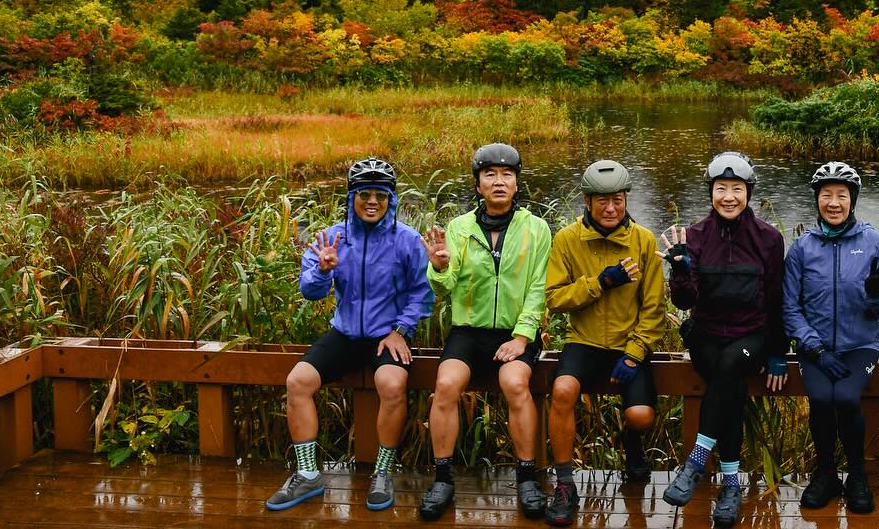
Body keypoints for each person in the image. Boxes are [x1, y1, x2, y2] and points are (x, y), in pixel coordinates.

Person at [265, 157, 433, 513]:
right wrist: (324, 271)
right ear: (351, 198)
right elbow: (310, 291)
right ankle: (308, 474)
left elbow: (422, 293)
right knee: (297, 382)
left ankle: (383, 472)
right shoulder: (331, 238)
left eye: (380, 196)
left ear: (391, 200)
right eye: (364, 194)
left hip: (386, 335)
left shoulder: (407, 241)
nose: (372, 202)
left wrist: (401, 330)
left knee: (391, 385)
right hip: (343, 333)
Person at [418, 143, 553, 521]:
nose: (499, 181)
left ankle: (526, 477)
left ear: (516, 183)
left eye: (507, 175)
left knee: (515, 384)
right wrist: (440, 267)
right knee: (445, 386)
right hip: (468, 330)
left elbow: (538, 288)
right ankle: (442, 478)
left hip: (515, 331)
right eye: (490, 175)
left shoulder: (536, 228)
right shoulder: (459, 228)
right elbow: (444, 289)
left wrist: (522, 337)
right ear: (478, 184)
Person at [658, 151, 788, 528]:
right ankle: (730, 485)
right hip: (707, 334)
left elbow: (777, 296)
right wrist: (681, 269)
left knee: (730, 367)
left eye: (737, 189)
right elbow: (685, 302)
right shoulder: (694, 236)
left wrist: (778, 352)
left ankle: (697, 461)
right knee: (727, 386)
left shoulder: (768, 238)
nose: (728, 197)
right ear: (710, 192)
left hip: (752, 334)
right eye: (721, 189)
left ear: (749, 192)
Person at [542, 159, 665, 528]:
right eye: (602, 202)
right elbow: (555, 298)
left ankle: (630, 441)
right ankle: (565, 485)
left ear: (626, 199)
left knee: (641, 416)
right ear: (587, 202)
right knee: (562, 390)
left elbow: (654, 306)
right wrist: (601, 282)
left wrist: (634, 354)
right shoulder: (567, 239)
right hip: (585, 341)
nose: (610, 209)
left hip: (628, 342)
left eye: (617, 200)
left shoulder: (643, 240)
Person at [783, 161, 879, 514]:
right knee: (820, 399)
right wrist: (814, 347)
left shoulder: (874, 242)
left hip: (859, 345)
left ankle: (858, 476)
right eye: (826, 195)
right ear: (817, 199)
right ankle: (826, 474)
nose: (834, 203)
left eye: (842, 196)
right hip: (816, 348)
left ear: (853, 200)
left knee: (847, 399)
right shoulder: (802, 248)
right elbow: (790, 306)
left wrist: (876, 293)